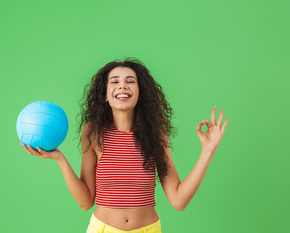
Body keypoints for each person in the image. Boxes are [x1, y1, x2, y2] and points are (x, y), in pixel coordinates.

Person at [20, 57, 229, 233]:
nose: (122, 86)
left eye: (130, 81)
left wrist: (208, 150)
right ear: (104, 95)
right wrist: (60, 159)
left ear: (140, 93)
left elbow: (178, 200)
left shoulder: (156, 134)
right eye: (114, 82)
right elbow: (86, 202)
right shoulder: (93, 132)